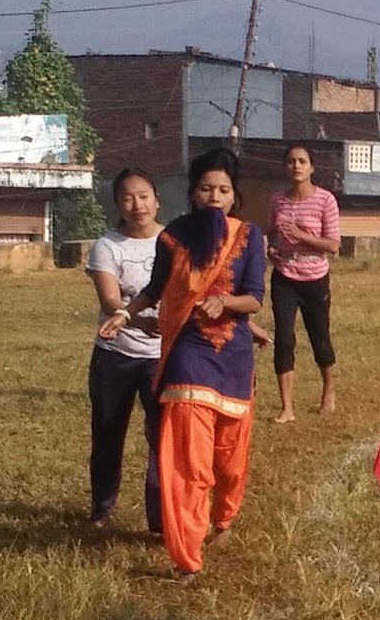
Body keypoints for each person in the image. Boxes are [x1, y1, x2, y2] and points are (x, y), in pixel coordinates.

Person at [99, 147, 267, 584]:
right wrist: (124, 313)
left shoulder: (250, 237)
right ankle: (187, 555)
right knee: (188, 464)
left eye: (223, 190)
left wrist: (225, 302)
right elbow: (154, 290)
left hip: (233, 359)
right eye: (207, 188)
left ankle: (223, 518)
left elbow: (254, 297)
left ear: (234, 195)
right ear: (193, 192)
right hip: (188, 356)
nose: (215, 197)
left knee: (228, 462)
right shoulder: (172, 237)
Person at [85, 168, 164, 534]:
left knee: (162, 437)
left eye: (144, 196)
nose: (137, 205)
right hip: (115, 355)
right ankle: (101, 508)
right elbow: (110, 299)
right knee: (108, 434)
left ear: (157, 200)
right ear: (118, 204)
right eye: (128, 198)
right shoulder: (107, 246)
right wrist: (140, 321)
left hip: (162, 358)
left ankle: (160, 517)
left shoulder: (172, 242)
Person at [269, 144, 341, 423]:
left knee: (319, 337)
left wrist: (301, 235)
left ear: (312, 167)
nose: (296, 166)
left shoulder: (325, 200)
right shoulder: (278, 200)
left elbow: (333, 245)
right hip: (284, 277)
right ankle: (286, 407)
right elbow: (273, 233)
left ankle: (329, 389)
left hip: (315, 278)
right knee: (284, 339)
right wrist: (273, 249)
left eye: (302, 161)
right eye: (291, 161)